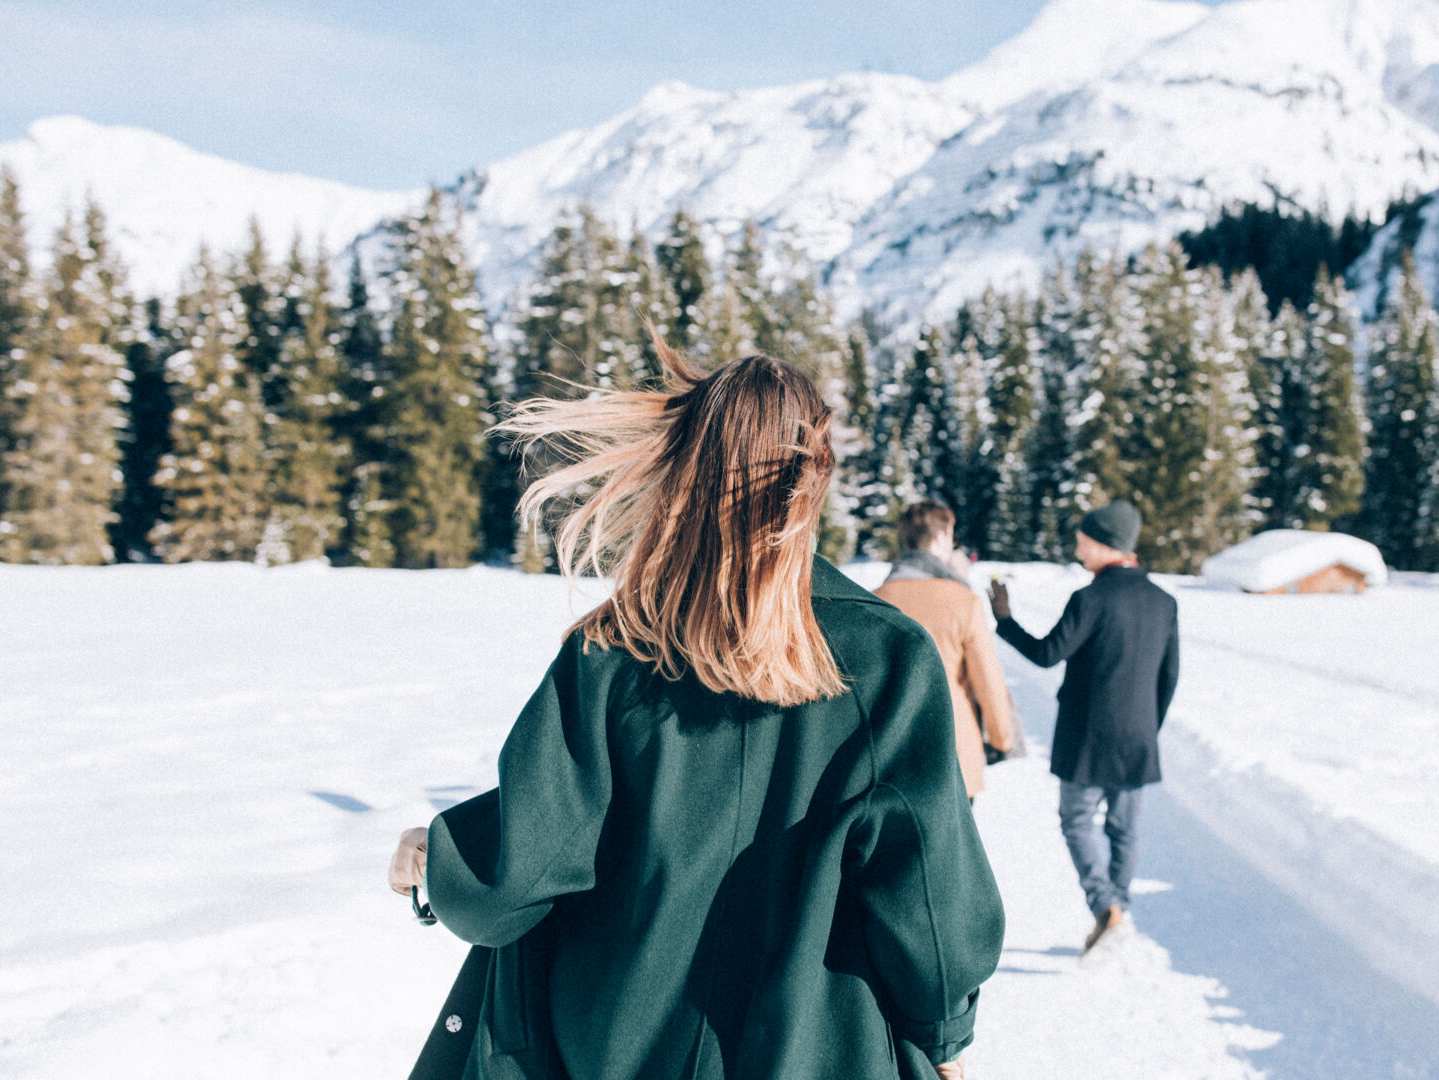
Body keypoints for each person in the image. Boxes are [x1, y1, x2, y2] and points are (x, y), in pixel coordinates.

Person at [387, 343, 1004, 1080]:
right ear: (816, 478)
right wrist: (945, 1040)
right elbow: (930, 908)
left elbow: (519, 872)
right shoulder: (888, 658)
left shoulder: (610, 650)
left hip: (615, 1053)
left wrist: (435, 854)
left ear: (686, 467)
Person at [985, 499, 1178, 953]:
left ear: (1103, 542)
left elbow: (1047, 653)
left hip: (1087, 737)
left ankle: (1106, 908)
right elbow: (1169, 677)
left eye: (1083, 539)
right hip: (1137, 737)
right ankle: (1117, 912)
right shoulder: (1163, 601)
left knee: (1076, 821)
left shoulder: (1090, 598)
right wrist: (1150, 725)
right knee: (1123, 829)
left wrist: (1005, 621)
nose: (1078, 548)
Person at [873, 500, 1017, 801]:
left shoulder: (876, 601)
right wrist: (1002, 739)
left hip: (890, 760)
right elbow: (988, 681)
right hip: (952, 758)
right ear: (941, 537)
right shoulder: (963, 601)